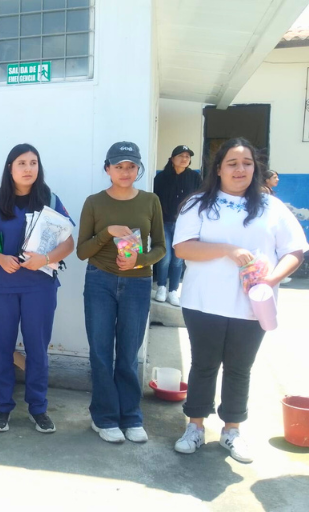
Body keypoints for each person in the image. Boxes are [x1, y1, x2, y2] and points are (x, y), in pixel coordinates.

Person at [172, 138, 307, 463]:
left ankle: (231, 430)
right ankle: (195, 427)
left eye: (247, 163)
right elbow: (183, 247)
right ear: (218, 169)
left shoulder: (271, 206)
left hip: (252, 306)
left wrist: (271, 280)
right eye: (232, 163)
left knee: (239, 368)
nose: (240, 169)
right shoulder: (199, 203)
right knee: (204, 365)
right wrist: (228, 250)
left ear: (255, 168)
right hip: (203, 302)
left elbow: (295, 250)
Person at [0, 143, 75, 434]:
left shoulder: (50, 199)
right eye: (22, 163)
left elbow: (69, 242)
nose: (28, 169)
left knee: (37, 349)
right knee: (2, 349)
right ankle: (2, 407)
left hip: (39, 287)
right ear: (10, 168)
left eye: (33, 163)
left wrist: (46, 259)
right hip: (0, 287)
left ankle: (38, 408)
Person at [76, 141, 166, 444]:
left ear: (138, 169)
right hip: (99, 282)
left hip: (137, 283)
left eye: (131, 166)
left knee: (128, 354)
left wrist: (138, 260)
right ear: (108, 169)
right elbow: (82, 251)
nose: (125, 172)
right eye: (119, 166)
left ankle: (131, 416)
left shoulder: (151, 201)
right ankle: (104, 418)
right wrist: (107, 232)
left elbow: (161, 247)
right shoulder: (94, 202)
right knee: (101, 353)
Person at [153, 145, 201, 306]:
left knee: (178, 259)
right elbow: (155, 200)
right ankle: (161, 287)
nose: (184, 159)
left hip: (185, 224)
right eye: (181, 156)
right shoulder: (161, 178)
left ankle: (173, 290)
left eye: (187, 156)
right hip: (164, 222)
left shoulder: (194, 177)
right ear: (172, 159)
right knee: (165, 257)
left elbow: (199, 199)